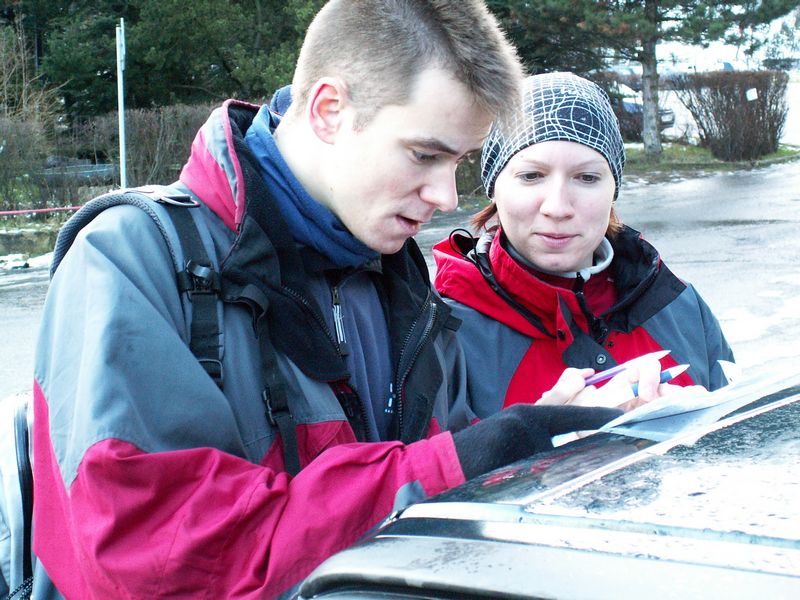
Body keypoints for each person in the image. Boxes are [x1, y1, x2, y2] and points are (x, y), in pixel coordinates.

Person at [29, 5, 637, 598]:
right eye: (425, 155)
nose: (447, 194)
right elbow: (153, 559)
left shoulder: (395, 272)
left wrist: (528, 442)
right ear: (328, 110)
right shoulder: (129, 259)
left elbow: (424, 469)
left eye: (458, 162)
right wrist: (459, 466)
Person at [433, 72, 735, 422]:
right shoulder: (443, 335)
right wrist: (540, 443)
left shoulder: (682, 309)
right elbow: (442, 474)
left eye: (587, 178)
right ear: (494, 188)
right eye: (531, 176)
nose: (558, 207)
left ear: (613, 190)